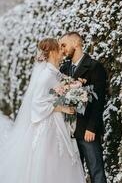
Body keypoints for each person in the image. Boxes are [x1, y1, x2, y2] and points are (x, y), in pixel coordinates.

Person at [0, 38, 86, 183]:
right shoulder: (46, 75)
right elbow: (37, 103)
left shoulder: (54, 72)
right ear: (52, 52)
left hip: (57, 120)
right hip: (49, 124)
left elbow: (56, 92)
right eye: (59, 49)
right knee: (49, 159)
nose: (62, 52)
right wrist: (63, 107)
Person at [60, 32, 107, 183]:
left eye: (64, 45)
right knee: (73, 174)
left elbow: (99, 102)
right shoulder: (64, 68)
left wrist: (92, 128)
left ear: (76, 44)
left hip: (87, 130)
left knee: (96, 171)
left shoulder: (94, 67)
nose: (62, 49)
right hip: (68, 130)